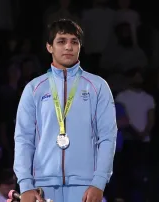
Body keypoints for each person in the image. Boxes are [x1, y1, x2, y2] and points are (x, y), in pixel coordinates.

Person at [14, 18, 117, 202]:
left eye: (74, 42)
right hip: (42, 187)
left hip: (85, 186)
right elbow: (23, 139)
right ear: (49, 47)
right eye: (61, 41)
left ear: (80, 47)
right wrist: (25, 185)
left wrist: (99, 182)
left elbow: (108, 137)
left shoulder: (97, 86)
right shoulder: (34, 88)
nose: (68, 47)